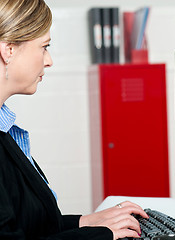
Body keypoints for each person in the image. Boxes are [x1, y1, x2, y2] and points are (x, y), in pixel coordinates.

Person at [0, 0, 149, 239]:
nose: (49, 60)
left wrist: (87, 221)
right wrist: (101, 234)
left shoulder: (5, 128)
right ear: (8, 50)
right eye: (44, 47)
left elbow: (25, 224)